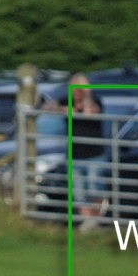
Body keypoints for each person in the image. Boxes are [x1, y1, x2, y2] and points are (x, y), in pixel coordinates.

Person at [44, 72, 105, 224]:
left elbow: (90, 112)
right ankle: (87, 222)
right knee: (77, 193)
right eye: (74, 89)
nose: (76, 93)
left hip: (94, 154)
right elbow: (47, 107)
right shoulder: (67, 101)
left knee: (94, 188)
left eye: (80, 90)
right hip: (74, 154)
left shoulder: (95, 100)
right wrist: (62, 109)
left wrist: (86, 94)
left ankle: (95, 220)